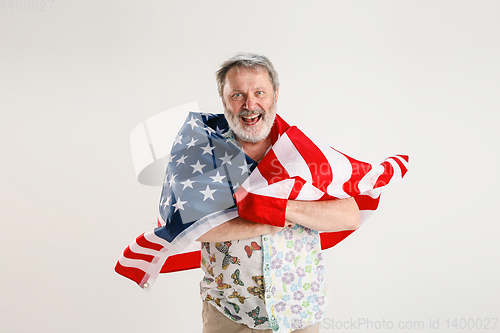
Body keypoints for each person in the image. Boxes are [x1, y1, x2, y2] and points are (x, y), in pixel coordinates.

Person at [196, 53, 361, 333]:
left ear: (275, 95)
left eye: (259, 92)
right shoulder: (202, 155)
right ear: (224, 100)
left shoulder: (304, 153)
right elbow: (190, 226)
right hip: (230, 314)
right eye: (237, 95)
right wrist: (264, 220)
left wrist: (284, 208)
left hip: (299, 312)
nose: (250, 105)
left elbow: (350, 215)